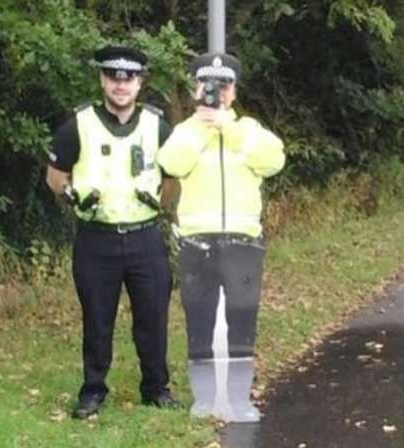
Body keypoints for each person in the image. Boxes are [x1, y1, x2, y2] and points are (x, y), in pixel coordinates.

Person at [45, 45, 179, 418]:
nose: (121, 85)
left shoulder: (157, 126)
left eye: (129, 78)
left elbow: (172, 178)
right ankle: (93, 391)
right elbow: (55, 177)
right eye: (113, 77)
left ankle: (156, 388)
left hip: (144, 236)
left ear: (140, 83)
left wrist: (159, 205)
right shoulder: (79, 124)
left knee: (153, 317)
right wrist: (74, 197)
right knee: (97, 318)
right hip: (96, 238)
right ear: (103, 80)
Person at [157, 52, 285, 422]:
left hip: (243, 242)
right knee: (199, 317)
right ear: (196, 88)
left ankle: (239, 400)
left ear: (234, 90)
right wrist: (202, 126)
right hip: (197, 241)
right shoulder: (185, 131)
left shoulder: (248, 128)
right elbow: (171, 164)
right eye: (209, 85)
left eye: (224, 85)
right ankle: (205, 399)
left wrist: (227, 127)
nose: (217, 92)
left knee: (242, 318)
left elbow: (274, 161)